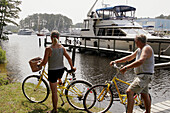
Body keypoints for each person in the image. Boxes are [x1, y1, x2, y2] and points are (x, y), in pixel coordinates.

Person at [110, 34, 154, 113]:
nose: (135, 43)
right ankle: (148, 112)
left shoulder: (146, 48)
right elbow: (129, 57)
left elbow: (141, 61)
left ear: (139, 41)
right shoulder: (139, 49)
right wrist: (116, 61)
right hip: (143, 76)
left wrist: (126, 68)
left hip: (144, 76)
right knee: (144, 94)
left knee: (129, 92)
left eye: (136, 42)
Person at [39, 30, 76, 113]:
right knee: (57, 80)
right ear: (59, 38)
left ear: (50, 38)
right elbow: (69, 58)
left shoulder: (48, 49)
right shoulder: (62, 48)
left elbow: (44, 62)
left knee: (54, 92)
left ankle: (55, 110)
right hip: (61, 70)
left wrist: (39, 65)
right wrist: (72, 67)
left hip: (53, 71)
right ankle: (60, 81)